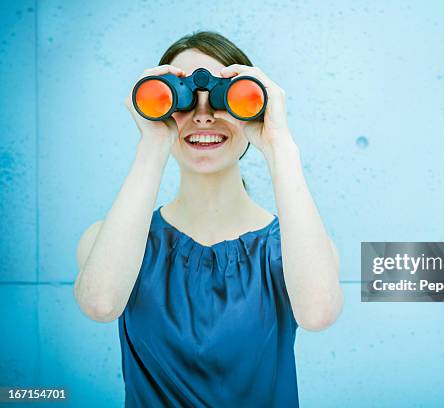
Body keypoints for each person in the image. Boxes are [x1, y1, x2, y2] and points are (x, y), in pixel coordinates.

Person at [73, 30, 344, 407]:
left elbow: (318, 313)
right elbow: (100, 304)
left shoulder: (292, 250)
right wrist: (153, 144)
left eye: (223, 98)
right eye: (182, 99)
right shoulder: (111, 241)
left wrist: (279, 143)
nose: (203, 117)